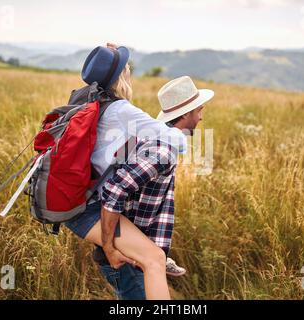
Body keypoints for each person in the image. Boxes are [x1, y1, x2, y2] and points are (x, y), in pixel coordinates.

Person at [64, 44, 188, 299]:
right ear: (121, 76)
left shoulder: (89, 99)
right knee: (154, 259)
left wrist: (111, 58)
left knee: (150, 261)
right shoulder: (120, 110)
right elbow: (179, 142)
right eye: (126, 66)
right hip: (86, 207)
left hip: (81, 199)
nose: (130, 68)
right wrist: (176, 126)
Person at [90, 76, 214, 299]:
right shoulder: (162, 150)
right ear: (185, 114)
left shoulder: (156, 139)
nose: (201, 116)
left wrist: (158, 253)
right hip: (129, 258)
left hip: (138, 253)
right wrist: (109, 246)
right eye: (198, 110)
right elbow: (115, 190)